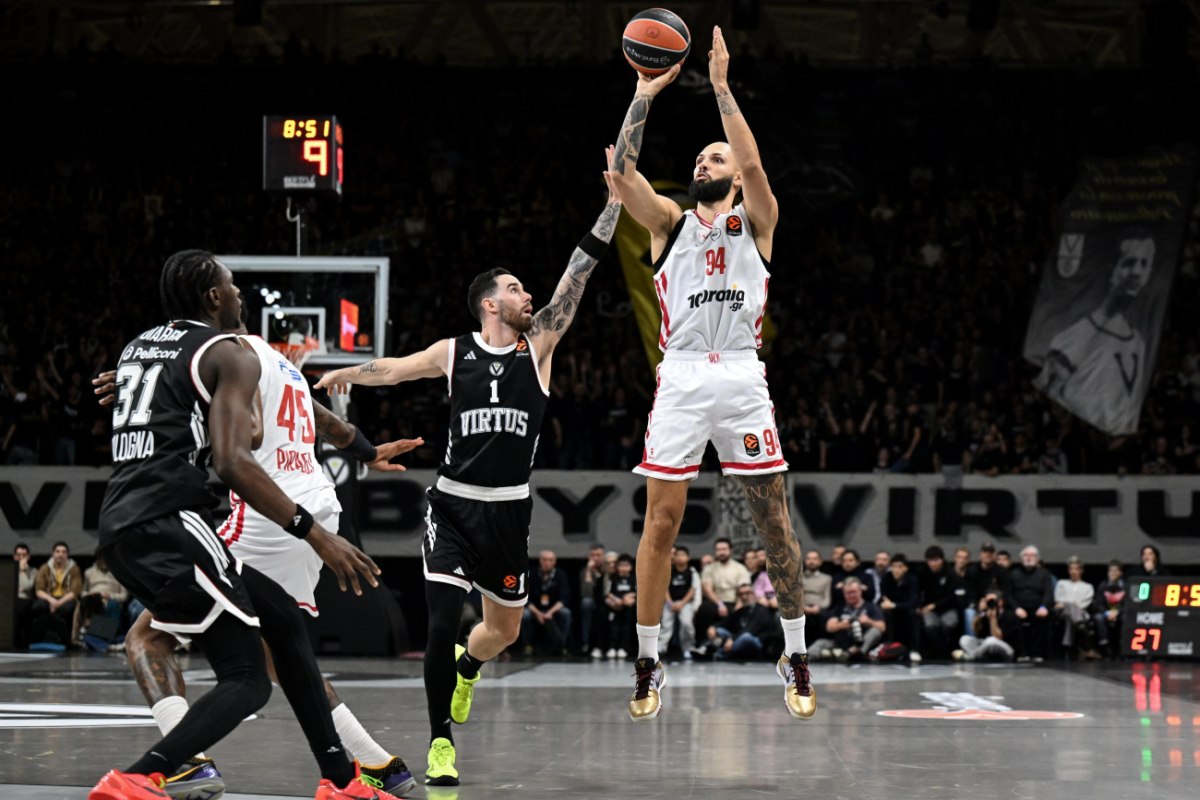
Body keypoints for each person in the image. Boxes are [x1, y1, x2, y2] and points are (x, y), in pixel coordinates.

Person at [315, 157, 624, 786]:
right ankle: (440, 743)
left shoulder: (539, 345)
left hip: (509, 510)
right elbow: (394, 369)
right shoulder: (453, 351)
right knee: (440, 622)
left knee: (500, 632)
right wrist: (345, 373)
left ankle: (468, 667)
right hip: (452, 505)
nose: (528, 296)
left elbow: (579, 274)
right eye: (515, 289)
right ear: (490, 302)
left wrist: (613, 206)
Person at [89, 250, 401, 800]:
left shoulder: (139, 347)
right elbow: (237, 456)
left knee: (280, 622)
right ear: (214, 296)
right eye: (232, 285)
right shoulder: (231, 353)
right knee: (249, 678)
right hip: (179, 520)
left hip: (126, 522)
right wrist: (318, 534)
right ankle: (142, 775)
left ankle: (340, 780)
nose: (240, 294)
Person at [608, 27, 815, 722]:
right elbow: (622, 176)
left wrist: (722, 88)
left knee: (772, 521)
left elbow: (753, 164)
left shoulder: (758, 220)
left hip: (743, 377)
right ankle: (648, 660)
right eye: (700, 155)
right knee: (661, 523)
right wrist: (643, 93)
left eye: (715, 155)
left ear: (735, 174)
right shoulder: (670, 223)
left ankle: (795, 653)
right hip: (684, 376)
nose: (705, 159)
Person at [1034, 231, 1155, 434]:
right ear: (1112, 269)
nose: (1137, 272)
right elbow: (1055, 402)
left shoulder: (1139, 344)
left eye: (1144, 264)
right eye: (1129, 263)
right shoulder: (1071, 337)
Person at [809, 577, 885, 662]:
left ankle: (856, 653)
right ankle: (802, 661)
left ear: (860, 591)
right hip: (841, 643)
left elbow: (882, 627)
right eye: (847, 593)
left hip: (861, 642)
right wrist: (843, 625)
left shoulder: (871, 607)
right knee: (820, 643)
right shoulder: (840, 607)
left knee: (875, 631)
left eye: (853, 592)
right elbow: (829, 627)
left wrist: (868, 621)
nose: (850, 596)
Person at [521, 549, 572, 655]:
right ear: (540, 561)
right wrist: (538, 613)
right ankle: (528, 645)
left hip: (553, 609)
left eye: (550, 560)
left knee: (565, 613)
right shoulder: (532, 574)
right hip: (535, 608)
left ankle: (562, 645)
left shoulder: (560, 575)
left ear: (554, 562)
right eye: (544, 560)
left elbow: (564, 598)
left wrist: (550, 613)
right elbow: (525, 598)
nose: (547, 563)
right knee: (525, 615)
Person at [32, 541, 82, 645]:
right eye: (58, 551)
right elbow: (39, 590)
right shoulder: (45, 568)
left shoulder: (74, 569)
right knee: (38, 606)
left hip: (65, 598)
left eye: (63, 552)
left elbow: (75, 591)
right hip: (49, 597)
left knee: (67, 608)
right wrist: (51, 600)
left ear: (67, 554)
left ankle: (62, 639)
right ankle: (42, 636)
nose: (60, 554)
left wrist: (58, 603)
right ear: (53, 553)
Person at [1009, 545, 1054, 661]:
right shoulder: (1013, 574)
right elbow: (1009, 595)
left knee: (1042, 619)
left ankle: (1037, 653)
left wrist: (1044, 607)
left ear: (1037, 559)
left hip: (1038, 607)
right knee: (1011, 618)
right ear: (1021, 558)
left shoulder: (1044, 574)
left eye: (1032, 555)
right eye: (1026, 555)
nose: (1029, 558)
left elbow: (1048, 593)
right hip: (1019, 608)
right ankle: (1022, 653)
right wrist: (1016, 608)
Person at [1054, 556, 1098, 659]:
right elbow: (1058, 599)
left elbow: (1084, 604)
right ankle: (1081, 626)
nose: (1073, 572)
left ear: (1081, 571)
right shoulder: (1061, 583)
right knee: (1069, 608)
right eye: (1071, 569)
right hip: (1062, 612)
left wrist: (1069, 604)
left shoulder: (1088, 587)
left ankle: (1068, 648)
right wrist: (1070, 604)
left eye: (1076, 569)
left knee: (1070, 617)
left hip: (1080, 613)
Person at [955, 592, 1019, 662]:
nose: (989, 603)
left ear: (1000, 602)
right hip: (987, 647)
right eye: (987, 601)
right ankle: (977, 655)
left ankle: (972, 656)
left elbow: (998, 637)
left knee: (991, 640)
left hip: (1008, 650)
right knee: (964, 639)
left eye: (992, 601)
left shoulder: (1009, 615)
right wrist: (980, 612)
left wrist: (993, 618)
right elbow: (975, 630)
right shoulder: (984, 613)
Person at [660, 545, 700, 659]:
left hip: (685, 603)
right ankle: (661, 647)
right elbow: (665, 588)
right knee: (666, 623)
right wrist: (670, 603)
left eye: (683, 555)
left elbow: (692, 590)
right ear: (674, 557)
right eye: (678, 555)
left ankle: (688, 648)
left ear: (688, 557)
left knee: (686, 623)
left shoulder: (691, 572)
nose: (680, 558)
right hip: (670, 602)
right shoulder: (669, 570)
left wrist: (682, 603)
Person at [579, 543, 607, 656]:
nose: (595, 558)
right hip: (593, 601)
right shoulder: (585, 571)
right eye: (593, 555)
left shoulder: (607, 570)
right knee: (586, 603)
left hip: (607, 600)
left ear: (603, 556)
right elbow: (586, 593)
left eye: (598, 555)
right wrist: (589, 572)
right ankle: (585, 643)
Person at [13, 542, 36, 649]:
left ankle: (21, 644)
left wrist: (22, 571)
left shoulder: (33, 571)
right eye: (18, 555)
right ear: (14, 556)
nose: (21, 558)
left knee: (21, 606)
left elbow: (27, 586)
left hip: (25, 600)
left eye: (24, 555)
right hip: (10, 600)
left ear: (28, 557)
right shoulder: (9, 569)